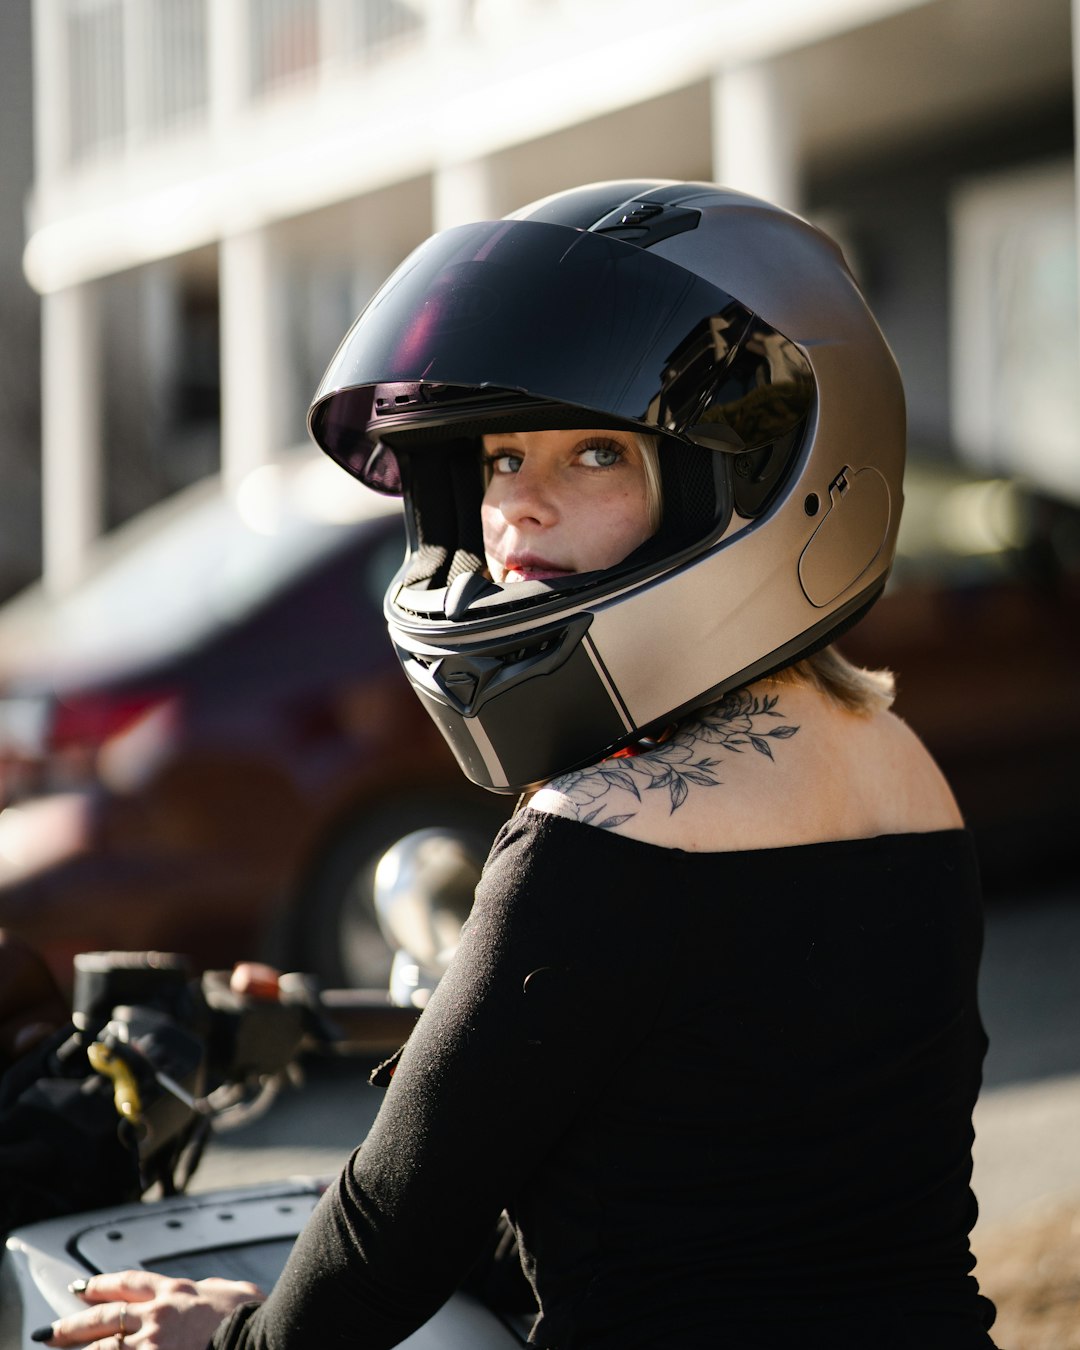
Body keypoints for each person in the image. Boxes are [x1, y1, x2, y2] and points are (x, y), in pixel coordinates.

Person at [39, 182, 997, 1348]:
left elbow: (397, 1227)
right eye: (498, 458)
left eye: (593, 452)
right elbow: (710, 1183)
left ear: (748, 484)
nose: (518, 510)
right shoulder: (904, 769)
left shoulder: (600, 831)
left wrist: (231, 1338)